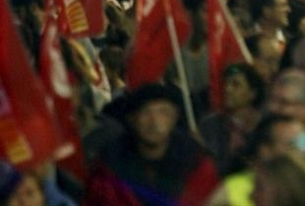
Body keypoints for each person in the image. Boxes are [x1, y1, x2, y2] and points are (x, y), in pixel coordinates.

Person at [83, 83, 218, 205]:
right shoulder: (108, 170)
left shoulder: (197, 165)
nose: (154, 122)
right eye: (146, 112)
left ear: (175, 118)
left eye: (163, 112)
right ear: (132, 119)